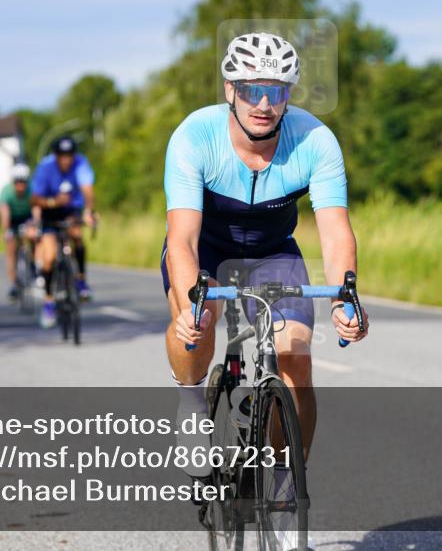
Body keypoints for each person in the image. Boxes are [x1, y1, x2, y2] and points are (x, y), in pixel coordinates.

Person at [161, 32, 370, 545]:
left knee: (294, 355)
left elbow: (335, 229)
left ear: (290, 94)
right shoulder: (195, 136)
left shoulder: (315, 140)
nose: (263, 103)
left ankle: (283, 484)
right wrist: (193, 301)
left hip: (276, 255)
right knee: (197, 322)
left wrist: (347, 294)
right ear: (230, 88)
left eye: (276, 90)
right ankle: (191, 401)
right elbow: (182, 239)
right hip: (206, 253)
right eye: (252, 88)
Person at [30, 135, 97, 329]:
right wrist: (52, 202)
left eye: (70, 155)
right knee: (49, 257)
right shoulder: (45, 167)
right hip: (50, 211)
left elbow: (87, 191)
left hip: (71, 210)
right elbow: (34, 199)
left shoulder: (81, 163)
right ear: (56, 155)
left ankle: (81, 281)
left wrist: (88, 212)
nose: (67, 159)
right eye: (62, 155)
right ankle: (49, 301)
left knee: (77, 235)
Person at [0, 163, 36, 300]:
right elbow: (4, 212)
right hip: (12, 219)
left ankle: (33, 264)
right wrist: (7, 230)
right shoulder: (7, 192)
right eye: (17, 183)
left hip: (27, 217)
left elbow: (36, 209)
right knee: (11, 248)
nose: (21, 186)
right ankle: (14, 283)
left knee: (33, 236)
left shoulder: (32, 189)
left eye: (23, 182)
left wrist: (35, 225)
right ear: (13, 182)